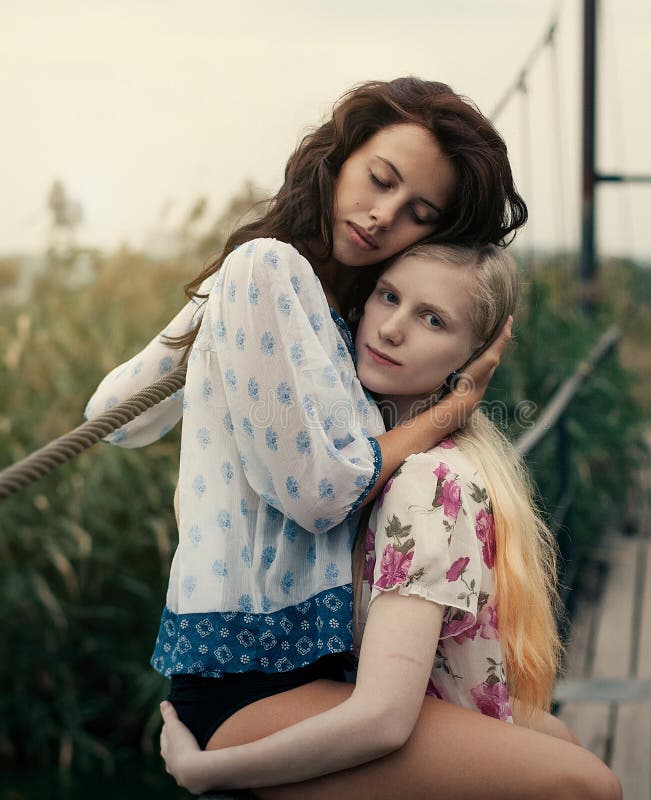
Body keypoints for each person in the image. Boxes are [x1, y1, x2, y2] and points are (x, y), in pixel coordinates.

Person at [83, 77, 526, 756]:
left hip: (310, 666)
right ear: (339, 156)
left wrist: (226, 307)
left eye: (417, 213)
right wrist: (454, 409)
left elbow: (113, 417)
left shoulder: (334, 311)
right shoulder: (266, 268)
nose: (383, 216)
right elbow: (320, 495)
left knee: (549, 747)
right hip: (250, 672)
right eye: (379, 179)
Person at [158, 244, 623, 800]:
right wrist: (210, 769)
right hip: (251, 699)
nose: (393, 329)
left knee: (568, 755)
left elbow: (385, 716)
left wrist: (205, 772)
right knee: (583, 781)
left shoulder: (424, 478)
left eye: (432, 319)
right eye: (389, 296)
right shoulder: (342, 455)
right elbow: (382, 718)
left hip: (294, 697)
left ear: (474, 356)